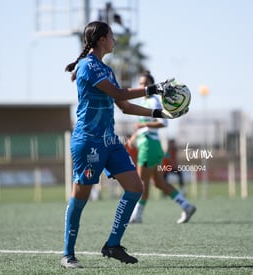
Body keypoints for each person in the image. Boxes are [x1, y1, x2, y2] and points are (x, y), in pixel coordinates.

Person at [61, 21, 177, 269]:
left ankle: (112, 244)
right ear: (102, 39)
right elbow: (120, 94)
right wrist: (153, 88)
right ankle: (68, 254)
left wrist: (160, 113)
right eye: (112, 36)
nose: (114, 40)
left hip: (110, 141)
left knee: (136, 187)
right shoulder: (88, 66)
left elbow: (123, 106)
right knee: (79, 199)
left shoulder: (106, 69)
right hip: (88, 141)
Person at [129, 71, 196, 224]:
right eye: (140, 83)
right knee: (159, 183)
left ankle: (137, 215)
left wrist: (143, 125)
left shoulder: (153, 101)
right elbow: (144, 127)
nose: (141, 86)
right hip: (151, 146)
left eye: (145, 83)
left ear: (151, 86)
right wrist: (135, 135)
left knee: (141, 183)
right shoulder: (145, 101)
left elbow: (163, 123)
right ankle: (186, 205)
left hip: (149, 147)